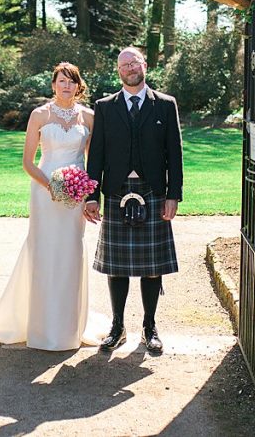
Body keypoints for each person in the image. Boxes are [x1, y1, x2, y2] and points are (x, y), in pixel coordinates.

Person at [0, 62, 103, 351]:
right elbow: (27, 162)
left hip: (75, 196)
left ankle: (68, 327)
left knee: (71, 253)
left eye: (71, 81)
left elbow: (93, 161)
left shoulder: (88, 117)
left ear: (78, 86)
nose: (66, 86)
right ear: (53, 85)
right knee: (44, 252)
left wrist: (87, 194)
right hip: (45, 192)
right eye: (61, 81)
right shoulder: (39, 115)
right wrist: (53, 186)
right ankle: (40, 326)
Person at [84, 47, 182, 355]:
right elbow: (96, 154)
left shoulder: (165, 105)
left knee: (153, 267)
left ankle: (149, 326)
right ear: (119, 71)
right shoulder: (104, 107)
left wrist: (173, 195)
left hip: (153, 191)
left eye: (134, 62)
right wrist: (91, 196)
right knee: (118, 266)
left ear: (145, 65)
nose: (129, 68)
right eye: (124, 65)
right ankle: (117, 326)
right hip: (115, 191)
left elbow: (174, 154)